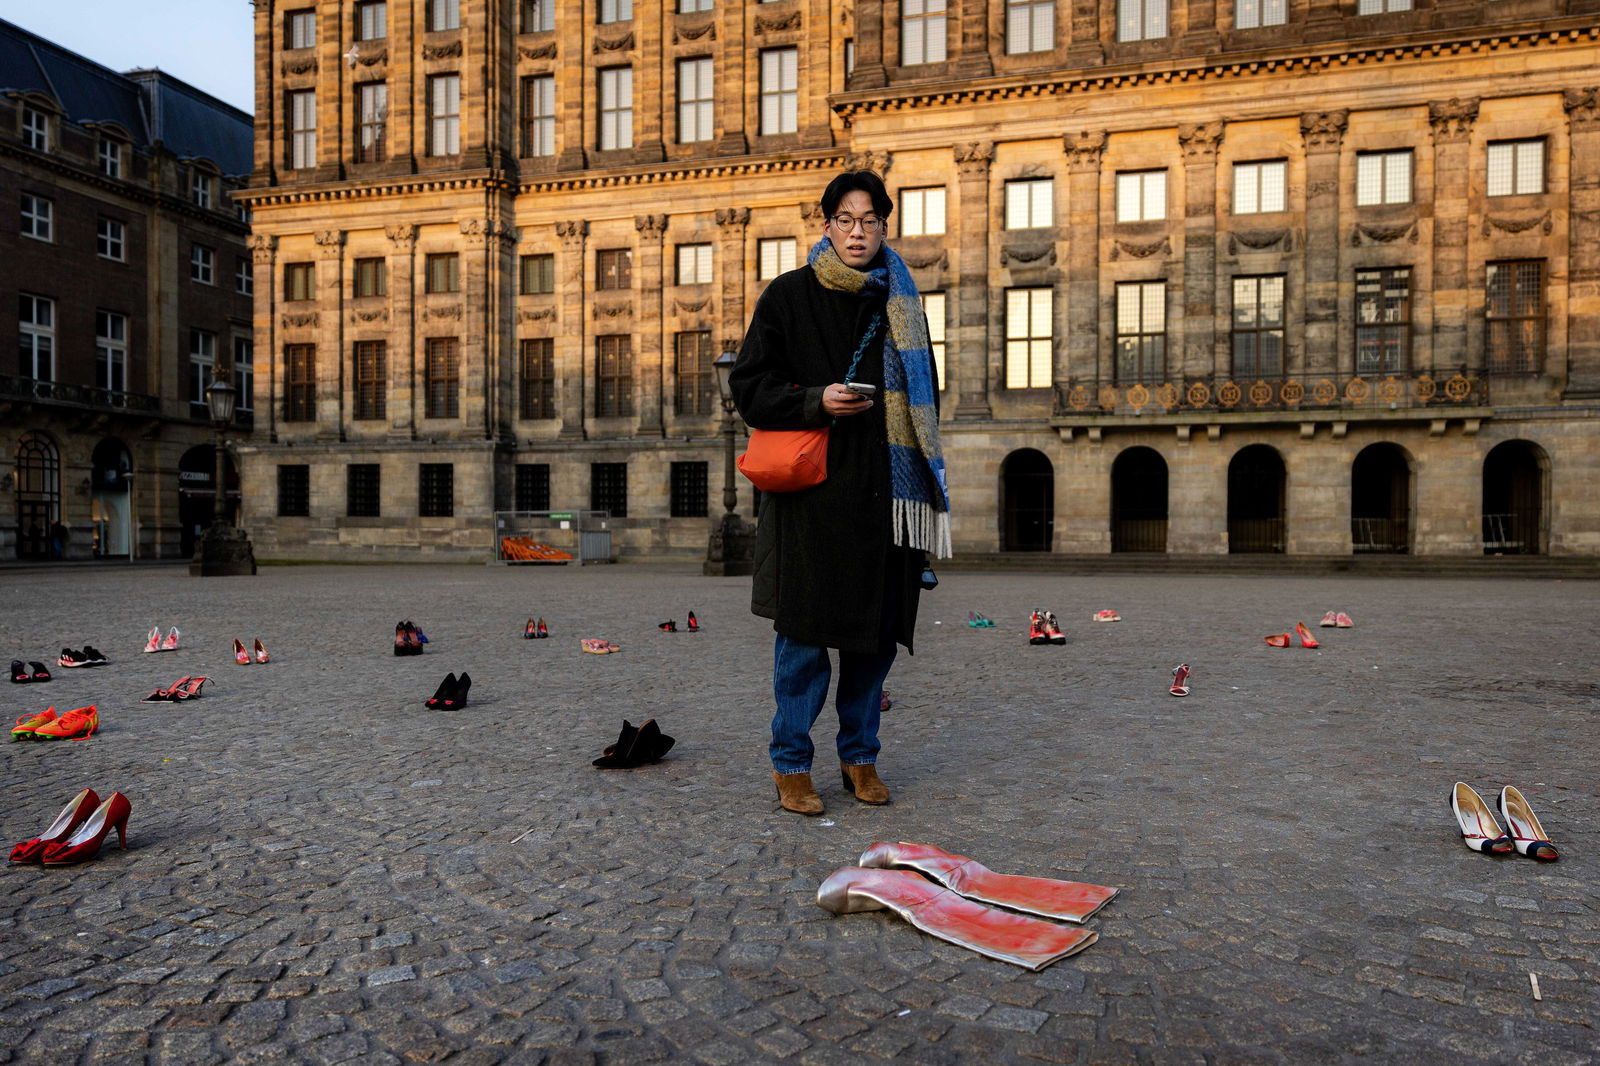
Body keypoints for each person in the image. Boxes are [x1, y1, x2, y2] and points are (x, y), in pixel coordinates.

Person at [730, 169, 951, 816]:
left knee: (872, 643)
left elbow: (923, 397)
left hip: (886, 499)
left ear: (885, 227)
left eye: (870, 220)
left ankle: (860, 757)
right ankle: (791, 763)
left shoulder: (901, 302)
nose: (858, 232)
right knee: (803, 642)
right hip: (812, 500)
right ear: (826, 226)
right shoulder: (788, 296)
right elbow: (749, 387)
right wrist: (813, 400)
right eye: (846, 220)